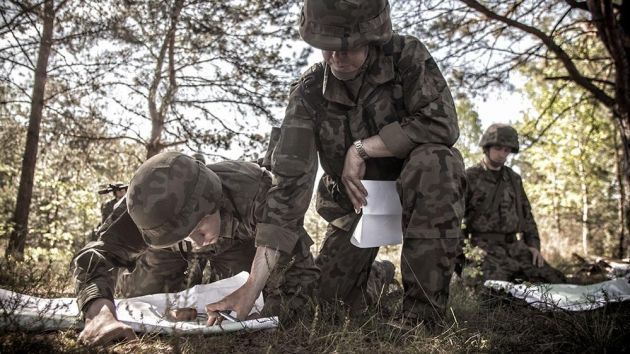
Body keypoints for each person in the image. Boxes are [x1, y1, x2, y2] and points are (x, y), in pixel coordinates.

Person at [240, 0, 466, 327]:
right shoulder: (308, 92)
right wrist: (252, 285)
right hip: (355, 206)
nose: (336, 57)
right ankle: (378, 277)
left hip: (418, 194)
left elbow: (443, 124)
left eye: (348, 48)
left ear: (373, 37)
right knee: (330, 306)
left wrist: (362, 149)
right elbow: (288, 187)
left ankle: (422, 317)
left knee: (438, 160)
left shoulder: (406, 56)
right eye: (327, 48)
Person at [72, 152, 319, 345]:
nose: (197, 242)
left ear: (214, 202)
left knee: (245, 302)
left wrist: (265, 314)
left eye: (199, 229)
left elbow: (299, 274)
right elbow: (97, 256)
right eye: (185, 236)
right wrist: (99, 315)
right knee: (141, 296)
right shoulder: (146, 209)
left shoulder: (257, 192)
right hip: (165, 250)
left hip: (240, 243)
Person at [462, 123, 566, 284]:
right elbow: (455, 222)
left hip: (515, 247)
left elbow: (526, 215)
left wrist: (533, 246)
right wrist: (464, 259)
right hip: (483, 249)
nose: (502, 154)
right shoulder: (470, 177)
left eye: (507, 150)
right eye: (498, 148)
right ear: (487, 147)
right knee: (495, 291)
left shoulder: (514, 179)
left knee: (556, 281)